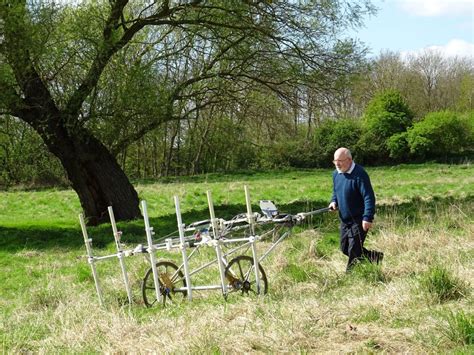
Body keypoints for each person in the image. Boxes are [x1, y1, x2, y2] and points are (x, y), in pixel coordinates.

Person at [328, 147, 383, 271]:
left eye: (340, 161)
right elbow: (336, 191)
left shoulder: (360, 174)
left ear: (349, 160)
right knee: (344, 248)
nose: (337, 164)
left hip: (359, 218)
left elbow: (368, 196)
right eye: (335, 161)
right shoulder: (336, 174)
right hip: (345, 218)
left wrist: (367, 217)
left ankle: (350, 276)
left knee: (354, 249)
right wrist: (334, 201)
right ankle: (374, 257)